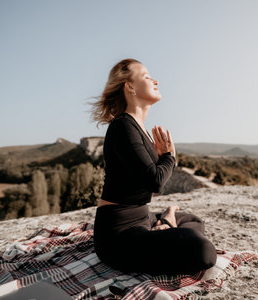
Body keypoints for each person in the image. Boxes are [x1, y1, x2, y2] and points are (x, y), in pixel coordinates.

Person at [90, 58, 217, 275]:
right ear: (129, 87)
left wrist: (162, 157)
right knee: (203, 251)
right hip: (119, 234)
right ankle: (166, 224)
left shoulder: (139, 129)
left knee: (193, 220)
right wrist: (169, 156)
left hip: (141, 218)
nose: (155, 80)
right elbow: (155, 181)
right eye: (147, 77)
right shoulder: (122, 126)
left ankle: (165, 224)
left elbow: (147, 176)